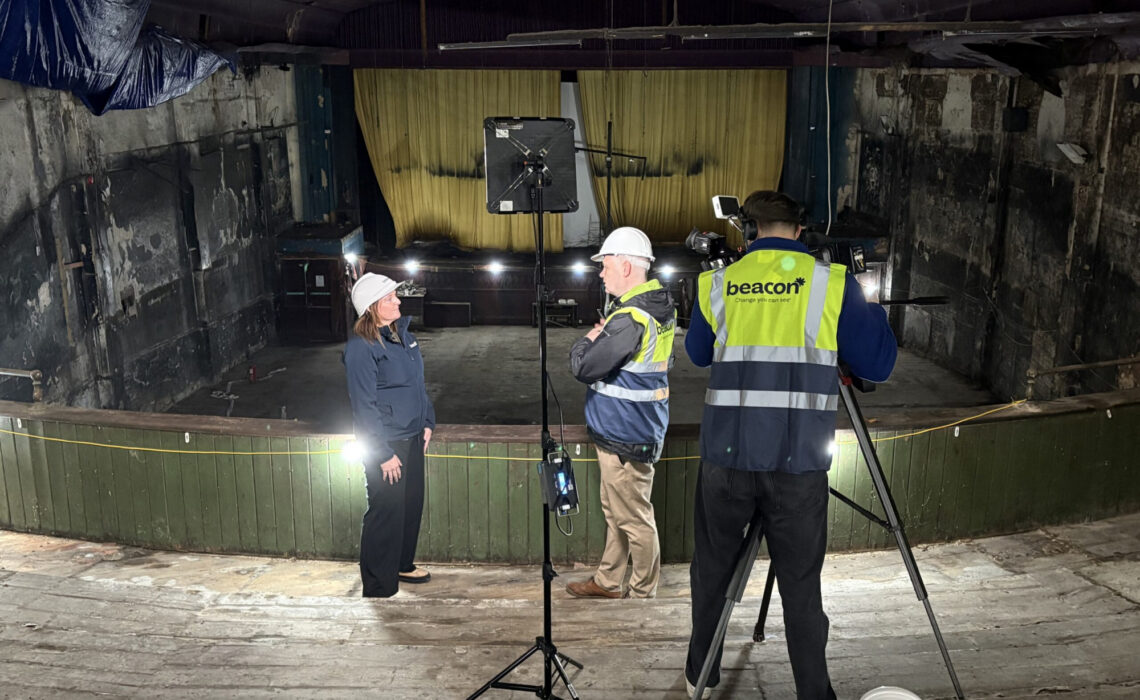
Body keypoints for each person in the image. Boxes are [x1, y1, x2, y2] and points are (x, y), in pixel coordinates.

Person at [683, 192, 897, 699]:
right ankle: (813, 692)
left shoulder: (719, 283)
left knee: (711, 571)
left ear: (750, 230)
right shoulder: (832, 285)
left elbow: (696, 353)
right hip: (798, 461)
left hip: (725, 459)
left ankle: (701, 676)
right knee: (801, 586)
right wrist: (876, 316)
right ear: (800, 231)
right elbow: (878, 366)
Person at [565, 226, 676, 600]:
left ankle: (643, 592)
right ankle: (609, 580)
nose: (601, 273)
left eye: (606, 265)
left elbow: (583, 367)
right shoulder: (657, 305)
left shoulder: (630, 317)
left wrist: (591, 338)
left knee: (633, 517)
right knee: (617, 512)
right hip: (634, 426)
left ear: (627, 267)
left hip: (625, 431)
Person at [344, 272, 436, 598]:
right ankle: (378, 583)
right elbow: (363, 406)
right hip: (387, 442)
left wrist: (427, 422)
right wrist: (382, 453)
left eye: (395, 295)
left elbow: (417, 384)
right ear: (371, 307)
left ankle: (402, 564)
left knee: (410, 506)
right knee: (385, 511)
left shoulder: (402, 336)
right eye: (389, 298)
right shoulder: (361, 348)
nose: (398, 300)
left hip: (412, 435)